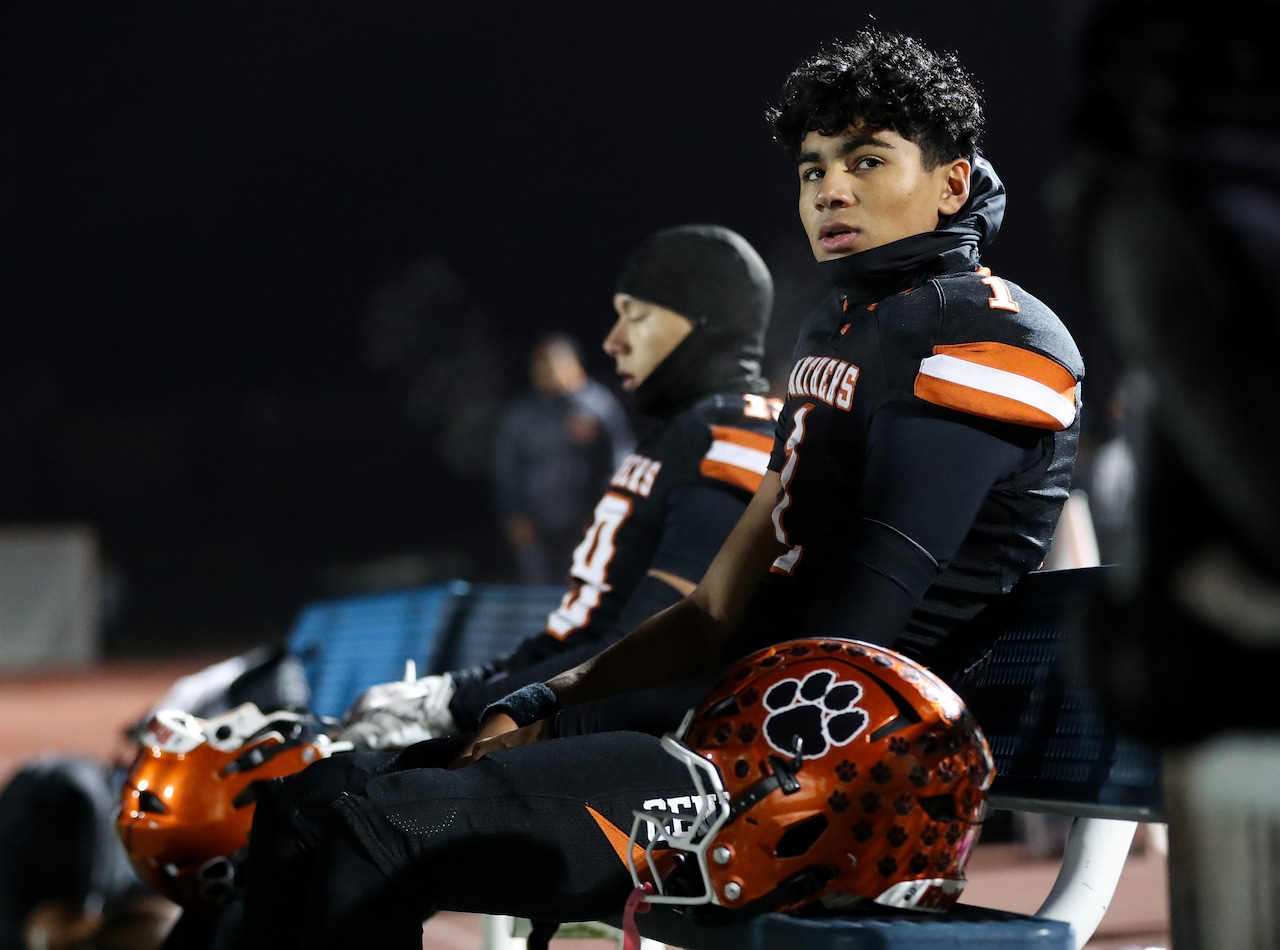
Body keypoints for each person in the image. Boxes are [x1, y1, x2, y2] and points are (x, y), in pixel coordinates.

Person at [211, 28, 1082, 950]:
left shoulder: (990, 336)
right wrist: (547, 704)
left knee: (374, 827)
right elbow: (715, 609)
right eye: (813, 167)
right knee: (310, 803)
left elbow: (850, 636)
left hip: (825, 782)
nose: (830, 188)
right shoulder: (847, 331)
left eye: (868, 160)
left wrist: (597, 722)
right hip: (736, 720)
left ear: (951, 182)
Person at [338, 223, 780, 747]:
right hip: (591, 700)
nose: (613, 340)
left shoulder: (732, 436)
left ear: (705, 327)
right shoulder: (677, 434)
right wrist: (453, 689)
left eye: (635, 316)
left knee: (353, 797)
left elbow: (645, 649)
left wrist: (463, 707)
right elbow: (583, 632)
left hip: (651, 743)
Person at [493, 332, 634, 586]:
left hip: (584, 515)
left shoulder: (596, 404)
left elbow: (622, 458)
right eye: (540, 366)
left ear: (574, 366)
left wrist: (606, 510)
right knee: (538, 590)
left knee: (580, 587)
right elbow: (507, 466)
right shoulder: (523, 412)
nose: (547, 373)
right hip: (537, 519)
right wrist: (515, 513)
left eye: (553, 365)